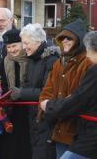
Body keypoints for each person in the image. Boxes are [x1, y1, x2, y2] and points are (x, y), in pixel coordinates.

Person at [38, 18, 93, 159]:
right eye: (62, 38)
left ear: (79, 40)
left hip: (79, 129)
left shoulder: (88, 62)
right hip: (59, 127)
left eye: (70, 38)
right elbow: (47, 90)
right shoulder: (58, 63)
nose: (65, 41)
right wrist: (47, 105)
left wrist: (52, 106)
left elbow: (81, 96)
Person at [10, 23, 59, 159]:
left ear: (38, 41)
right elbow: (28, 84)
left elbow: (48, 92)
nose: (24, 47)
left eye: (26, 43)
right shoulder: (33, 58)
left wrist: (22, 93)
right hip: (35, 118)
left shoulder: (52, 60)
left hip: (46, 120)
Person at [0, 29, 31, 159]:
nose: (11, 50)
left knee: (24, 144)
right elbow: (2, 84)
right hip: (10, 109)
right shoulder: (5, 62)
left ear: (22, 44)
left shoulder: (29, 59)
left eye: (14, 46)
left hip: (27, 109)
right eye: (8, 47)